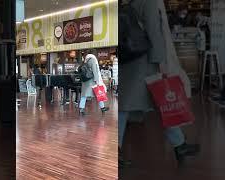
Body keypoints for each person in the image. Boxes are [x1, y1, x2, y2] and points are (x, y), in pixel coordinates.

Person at [119, 0, 200, 167]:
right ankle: (115, 150)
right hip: (144, 61)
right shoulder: (148, 2)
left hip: (130, 58)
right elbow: (154, 30)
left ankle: (180, 145)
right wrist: (160, 60)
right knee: (132, 105)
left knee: (156, 102)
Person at [79, 49, 109, 115]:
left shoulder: (85, 60)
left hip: (85, 81)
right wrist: (97, 80)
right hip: (91, 81)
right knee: (98, 93)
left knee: (84, 95)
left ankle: (81, 109)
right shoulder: (93, 59)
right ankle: (102, 108)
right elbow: (95, 71)